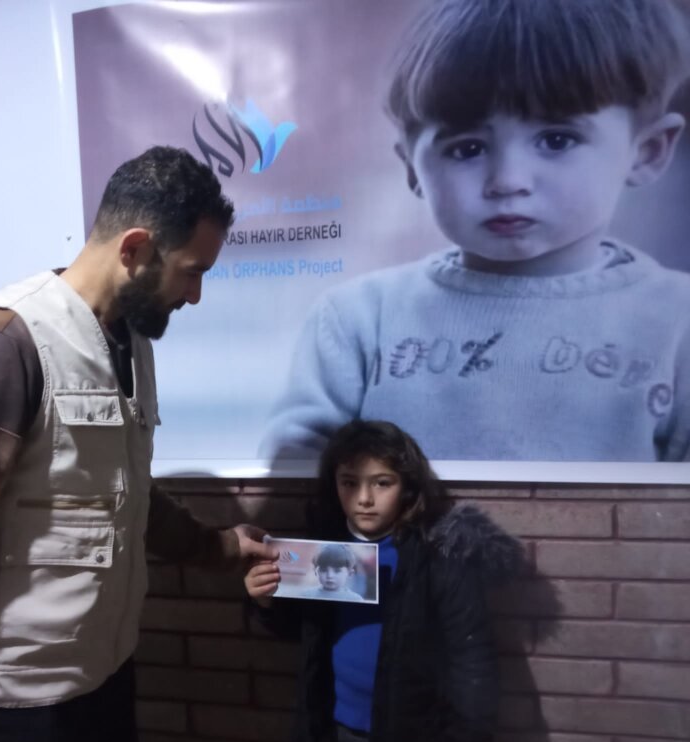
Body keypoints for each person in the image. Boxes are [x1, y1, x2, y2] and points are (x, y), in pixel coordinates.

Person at [0, 146, 274, 742]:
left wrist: (220, 548)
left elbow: (121, 495)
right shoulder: (3, 344)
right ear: (135, 249)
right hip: (15, 713)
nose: (195, 295)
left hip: (103, 682)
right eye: (191, 272)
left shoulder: (131, 342)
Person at [260, 0, 690, 462]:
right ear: (412, 169)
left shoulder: (678, 321)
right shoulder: (360, 321)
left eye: (556, 140)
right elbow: (297, 472)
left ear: (647, 151)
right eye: (467, 149)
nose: (508, 181)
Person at [245, 420, 523, 742]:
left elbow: (473, 657)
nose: (364, 499)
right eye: (349, 483)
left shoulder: (438, 555)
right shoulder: (323, 546)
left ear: (406, 486)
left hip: (415, 739)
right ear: (334, 484)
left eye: (382, 483)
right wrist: (265, 600)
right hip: (340, 731)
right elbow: (306, 632)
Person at [293, 543, 366, 602]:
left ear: (350, 573)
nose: (329, 576)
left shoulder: (355, 599)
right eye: (324, 570)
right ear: (316, 571)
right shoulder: (306, 596)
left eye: (337, 571)